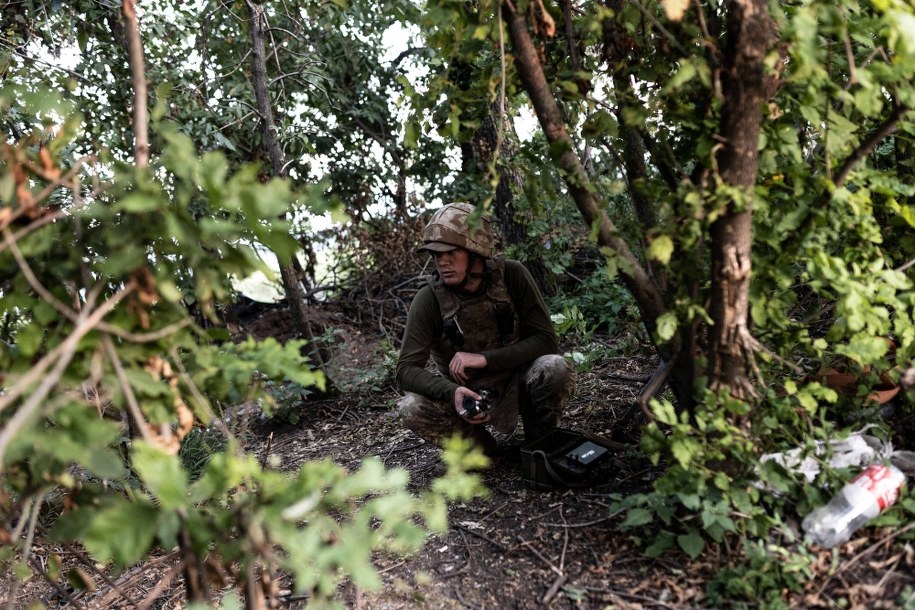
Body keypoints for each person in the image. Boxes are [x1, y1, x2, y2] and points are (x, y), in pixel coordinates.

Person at [395, 201, 576, 460]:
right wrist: (452, 392)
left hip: (518, 383)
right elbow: (405, 370)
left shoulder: (512, 275)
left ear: (475, 252)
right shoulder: (429, 299)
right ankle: (481, 450)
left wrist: (484, 359)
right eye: (436, 255)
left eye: (451, 253)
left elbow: (546, 341)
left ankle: (540, 440)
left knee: (554, 367)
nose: (442, 262)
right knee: (412, 406)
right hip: (466, 399)